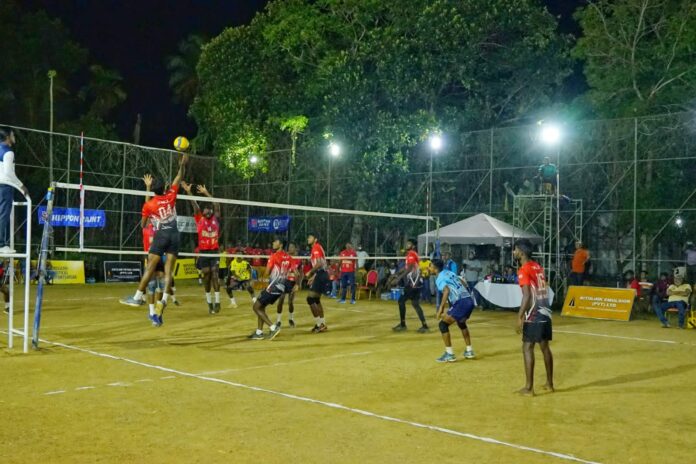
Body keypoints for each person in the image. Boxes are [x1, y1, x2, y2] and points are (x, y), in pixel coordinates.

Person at [119, 154, 189, 327]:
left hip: (162, 235)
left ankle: (136, 297)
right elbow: (179, 177)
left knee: (150, 270)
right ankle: (163, 302)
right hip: (174, 234)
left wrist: (148, 213)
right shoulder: (171, 195)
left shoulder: (150, 205)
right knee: (168, 272)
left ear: (152, 191)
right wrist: (182, 165)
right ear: (165, 188)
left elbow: (143, 223)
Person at [514, 239, 554, 396]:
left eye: (515, 249)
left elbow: (527, 295)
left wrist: (520, 316)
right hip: (546, 311)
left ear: (521, 252)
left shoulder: (524, 269)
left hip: (534, 313)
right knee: (545, 347)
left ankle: (529, 388)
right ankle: (550, 384)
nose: (514, 252)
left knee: (527, 347)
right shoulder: (537, 267)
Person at [182, 182, 222, 314]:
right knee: (207, 277)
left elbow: (217, 204)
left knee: (215, 275)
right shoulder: (199, 219)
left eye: (209, 209)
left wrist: (206, 193)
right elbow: (195, 205)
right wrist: (189, 191)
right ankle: (209, 303)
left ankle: (217, 302)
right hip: (204, 252)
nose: (207, 210)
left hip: (214, 251)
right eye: (205, 209)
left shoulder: (216, 219)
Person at [431, 259, 475, 362]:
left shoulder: (439, 278)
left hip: (461, 303)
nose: (429, 268)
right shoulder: (449, 272)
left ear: (435, 268)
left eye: (430, 266)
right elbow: (462, 282)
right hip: (468, 300)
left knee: (443, 325)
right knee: (461, 323)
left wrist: (441, 308)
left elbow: (446, 290)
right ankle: (469, 350)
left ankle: (449, 354)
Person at [247, 238, 287, 340]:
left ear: (281, 244)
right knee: (261, 306)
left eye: (276, 241)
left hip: (272, 287)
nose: (273, 243)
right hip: (281, 288)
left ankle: (273, 327)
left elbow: (267, 272)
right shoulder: (288, 257)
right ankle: (259, 332)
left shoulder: (274, 256)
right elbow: (294, 272)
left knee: (256, 307)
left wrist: (258, 280)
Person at [0, 127, 30, 253]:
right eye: (13, 135)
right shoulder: (8, 152)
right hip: (5, 186)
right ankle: (1, 245)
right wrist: (21, 186)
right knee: (3, 215)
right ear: (7, 137)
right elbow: (9, 173)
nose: (14, 137)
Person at [390, 239, 429, 333]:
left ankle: (403, 325)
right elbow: (406, 267)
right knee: (415, 304)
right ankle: (425, 326)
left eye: (409, 243)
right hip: (416, 283)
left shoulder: (411, 254)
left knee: (401, 301)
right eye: (406, 243)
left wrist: (398, 278)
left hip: (413, 283)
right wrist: (396, 274)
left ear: (413, 246)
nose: (407, 244)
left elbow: (410, 268)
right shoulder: (411, 254)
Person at [305, 232, 329, 333]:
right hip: (321, 274)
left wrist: (310, 272)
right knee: (316, 299)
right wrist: (314, 277)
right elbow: (321, 264)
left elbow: (319, 264)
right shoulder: (317, 247)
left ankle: (319, 324)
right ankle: (322, 323)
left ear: (315, 239)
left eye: (310, 237)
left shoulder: (316, 247)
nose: (308, 239)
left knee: (310, 299)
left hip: (321, 274)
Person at [276, 242, 302, 327]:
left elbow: (300, 273)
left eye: (292, 247)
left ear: (295, 249)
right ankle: (278, 320)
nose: (290, 248)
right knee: (281, 300)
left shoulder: (298, 259)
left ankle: (291, 319)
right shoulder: (284, 257)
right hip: (284, 281)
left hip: (293, 283)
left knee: (290, 302)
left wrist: (298, 283)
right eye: (289, 247)